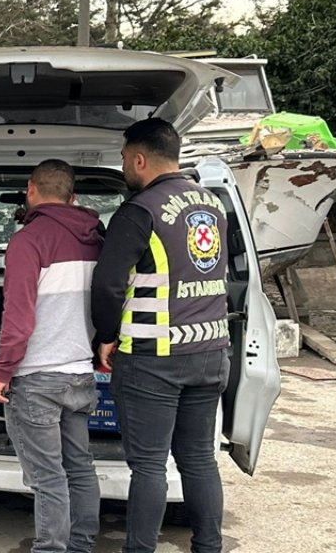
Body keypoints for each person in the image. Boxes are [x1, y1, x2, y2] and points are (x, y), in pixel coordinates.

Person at [90, 118, 231, 553]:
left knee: (149, 466)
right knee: (199, 460)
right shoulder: (212, 205)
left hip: (154, 357)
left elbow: (109, 284)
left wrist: (106, 335)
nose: (124, 167)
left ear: (139, 158)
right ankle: (208, 547)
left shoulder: (140, 211)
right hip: (210, 350)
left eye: (123, 160)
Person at [0, 160, 103, 553]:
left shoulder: (29, 241)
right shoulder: (96, 238)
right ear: (73, 198)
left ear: (30, 190)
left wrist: (3, 370)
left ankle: (52, 549)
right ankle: (81, 545)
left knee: (47, 477)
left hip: (37, 377)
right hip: (80, 373)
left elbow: (18, 317)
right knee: (80, 467)